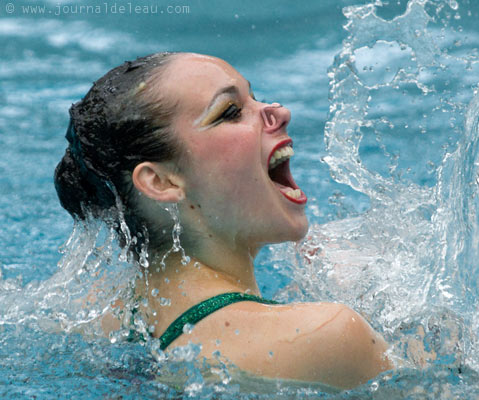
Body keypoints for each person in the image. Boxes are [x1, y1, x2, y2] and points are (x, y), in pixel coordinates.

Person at [53, 52, 392, 389]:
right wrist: (377, 304)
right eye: (230, 112)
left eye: (254, 98)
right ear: (161, 181)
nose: (280, 112)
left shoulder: (95, 317)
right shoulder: (329, 335)